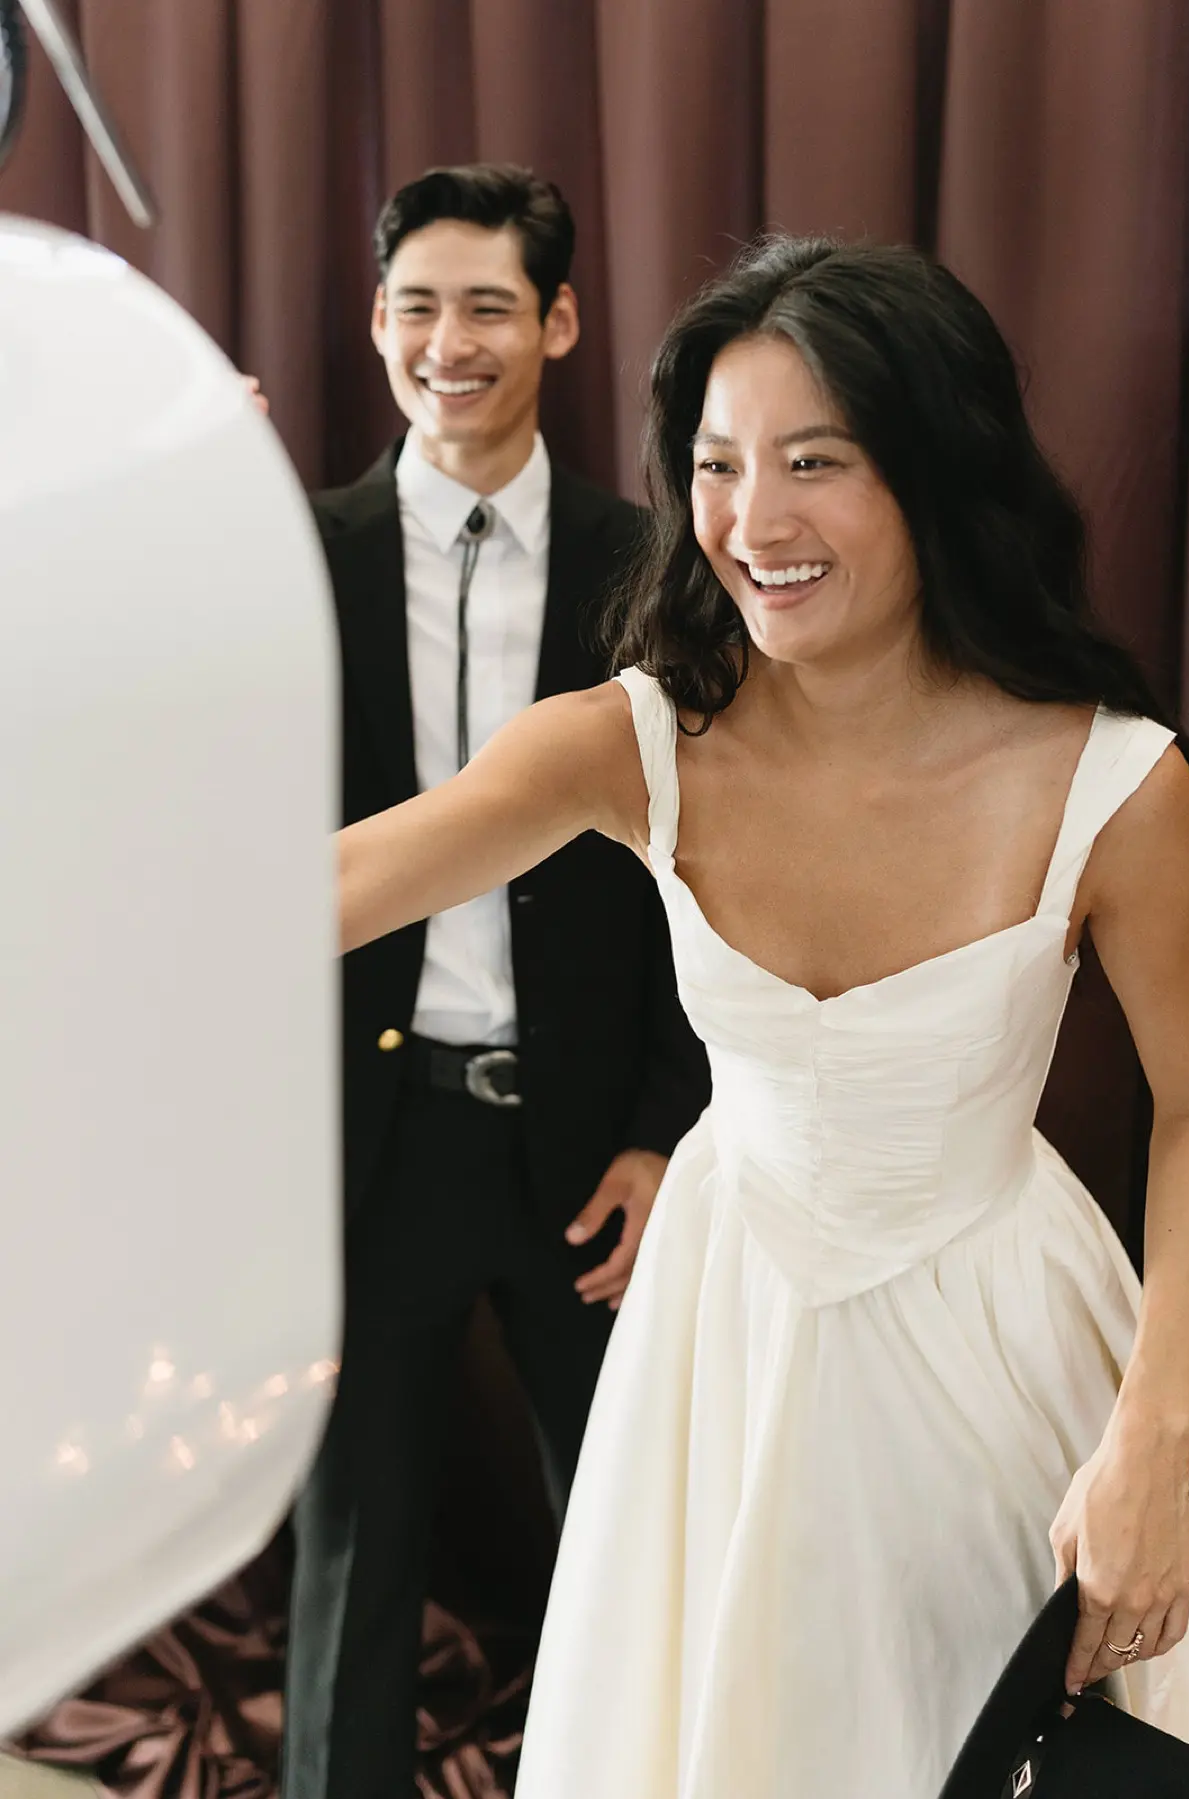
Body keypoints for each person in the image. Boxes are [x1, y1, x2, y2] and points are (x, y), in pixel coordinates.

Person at [335, 233, 1189, 1795]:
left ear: (936, 468)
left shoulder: (1117, 781)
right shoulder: (641, 740)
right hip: (720, 1338)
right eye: (717, 465)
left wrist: (1156, 1440)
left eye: (814, 461)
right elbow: (318, 893)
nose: (752, 520)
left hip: (1001, 1345)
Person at [283, 164, 709, 1799]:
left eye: (485, 306)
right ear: (374, 323)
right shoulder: (287, 555)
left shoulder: (650, 560)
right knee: (354, 1562)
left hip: (587, 1144)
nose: (446, 343)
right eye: (416, 307)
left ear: (561, 321)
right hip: (364, 1145)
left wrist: (667, 1128)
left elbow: (703, 868)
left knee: (633, 1547)